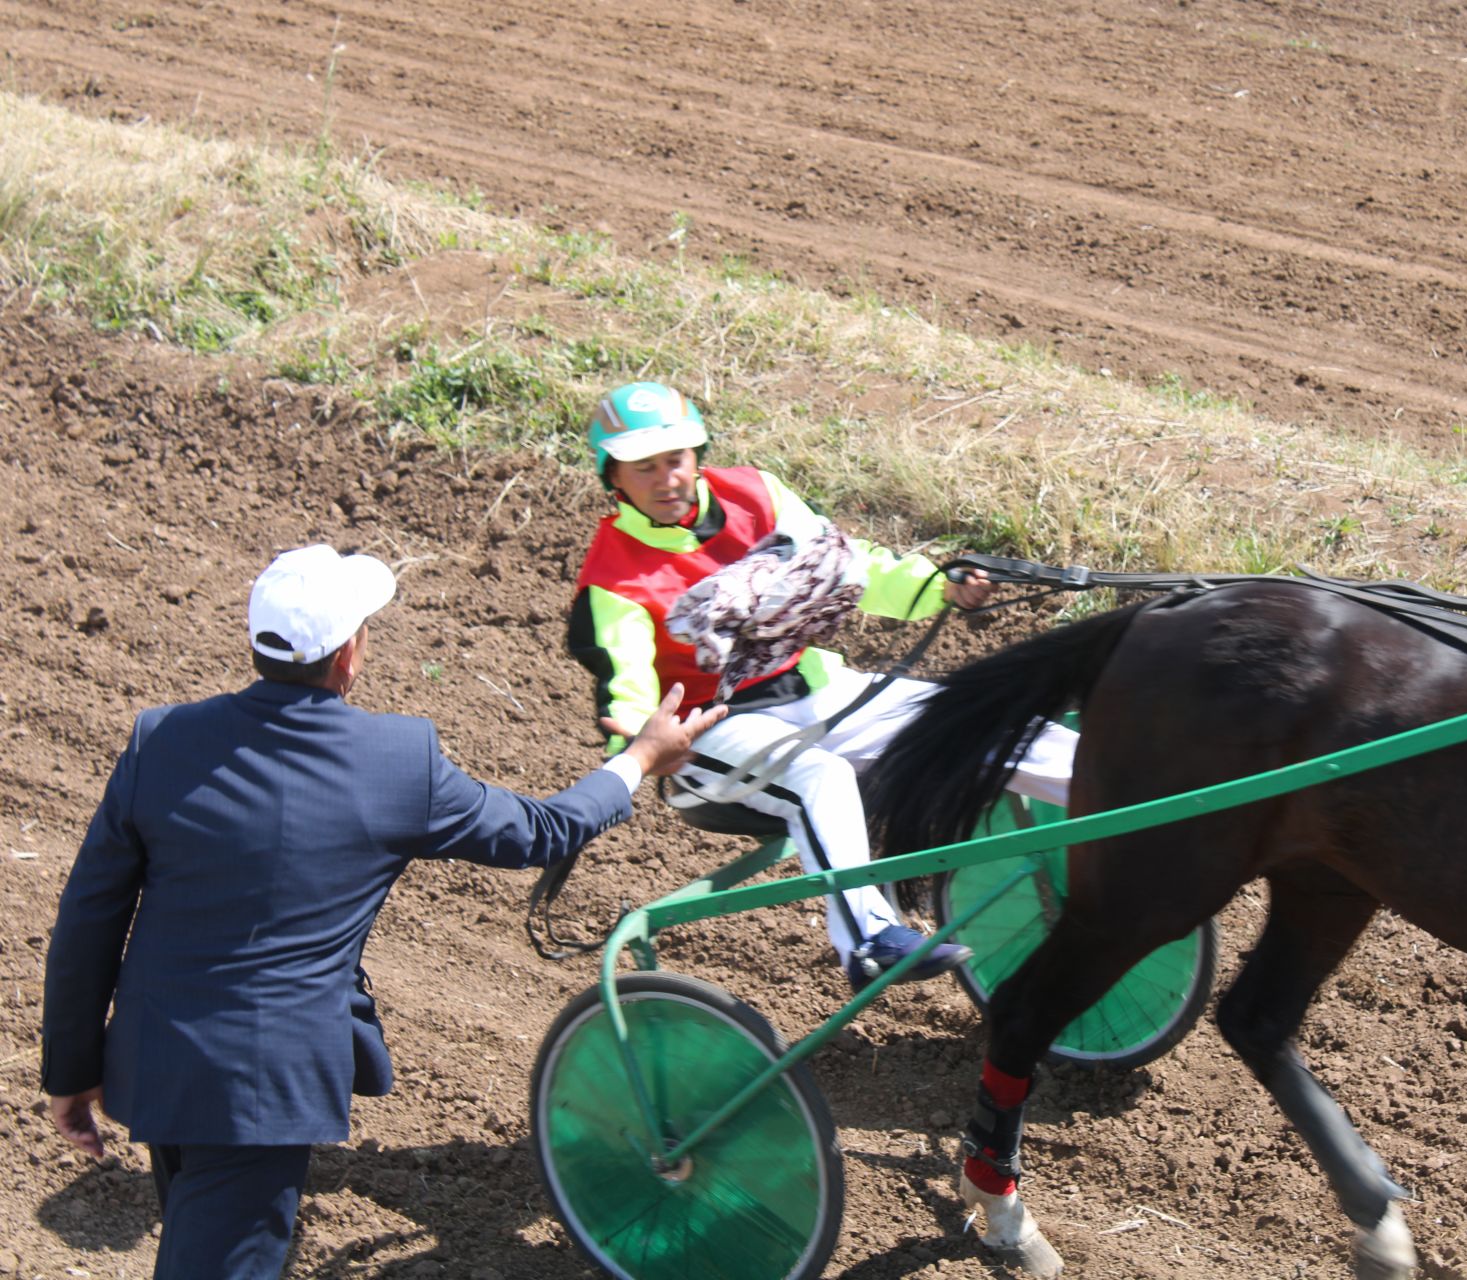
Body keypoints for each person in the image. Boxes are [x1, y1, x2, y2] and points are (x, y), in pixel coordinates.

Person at [39, 543, 725, 1280]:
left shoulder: (160, 741)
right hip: (267, 1088)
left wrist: (69, 1070)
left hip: (157, 1060)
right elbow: (542, 830)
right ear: (350, 655)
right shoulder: (398, 761)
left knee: (200, 1233)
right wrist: (642, 757)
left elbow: (88, 921)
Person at [567, 381, 1078, 989]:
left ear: (696, 454)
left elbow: (848, 568)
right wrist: (633, 746)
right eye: (643, 467)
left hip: (811, 689)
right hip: (707, 734)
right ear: (613, 477)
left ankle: (1130, 795)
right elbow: (625, 681)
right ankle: (868, 942)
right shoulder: (614, 577)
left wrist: (939, 584)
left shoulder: (756, 493)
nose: (666, 479)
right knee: (823, 777)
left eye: (675, 459)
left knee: (975, 717)